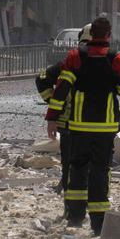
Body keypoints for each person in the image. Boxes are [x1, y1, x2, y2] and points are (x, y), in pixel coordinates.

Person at [46, 16, 120, 236]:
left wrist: (52, 117)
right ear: (109, 35)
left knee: (77, 170)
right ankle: (98, 225)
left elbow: (61, 89)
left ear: (91, 34)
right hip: (105, 128)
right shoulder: (118, 59)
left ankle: (75, 217)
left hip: (79, 126)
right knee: (100, 173)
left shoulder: (76, 57)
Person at [35, 24, 91, 194]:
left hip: (69, 124)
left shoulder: (69, 62)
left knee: (70, 162)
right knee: (95, 165)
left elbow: (41, 78)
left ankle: (71, 203)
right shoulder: (109, 62)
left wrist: (53, 104)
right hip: (97, 124)